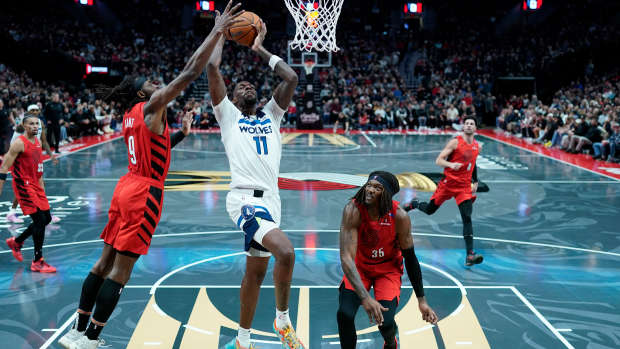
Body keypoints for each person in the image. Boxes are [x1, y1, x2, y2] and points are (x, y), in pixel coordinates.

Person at [56, 4, 244, 348]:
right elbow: (189, 73)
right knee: (121, 273)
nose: (158, 84)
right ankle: (92, 338)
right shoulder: (153, 105)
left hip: (126, 186)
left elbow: (151, 148)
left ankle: (76, 331)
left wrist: (182, 134)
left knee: (103, 263)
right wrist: (216, 30)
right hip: (144, 194)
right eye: (151, 84)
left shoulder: (132, 114)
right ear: (144, 93)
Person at [207, 18, 302, 349]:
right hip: (244, 200)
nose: (246, 86)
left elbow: (291, 77)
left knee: (256, 275)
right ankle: (283, 320)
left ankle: (242, 341)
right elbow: (212, 67)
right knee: (286, 253)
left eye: (250, 85)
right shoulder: (228, 117)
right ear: (230, 99)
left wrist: (259, 48)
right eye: (239, 87)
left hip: (272, 201)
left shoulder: (271, 115)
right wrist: (220, 31)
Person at [338, 171, 438, 349]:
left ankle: (391, 342)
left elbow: (411, 259)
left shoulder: (399, 216)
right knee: (345, 314)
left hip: (387, 271)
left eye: (377, 188)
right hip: (359, 267)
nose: (370, 190)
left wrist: (421, 300)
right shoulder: (353, 209)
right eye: (369, 185)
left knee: (385, 321)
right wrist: (365, 297)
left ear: (387, 195)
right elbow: (346, 258)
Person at [403, 116, 484, 266]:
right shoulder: (455, 142)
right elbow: (438, 160)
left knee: (467, 217)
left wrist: (475, 181)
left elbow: (473, 164)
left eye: (471, 123)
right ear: (463, 127)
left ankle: (470, 255)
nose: (468, 125)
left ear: (475, 128)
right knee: (429, 210)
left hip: (464, 187)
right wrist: (450, 165)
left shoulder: (477, 146)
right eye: (466, 123)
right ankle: (414, 204)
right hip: (448, 184)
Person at [1, 114, 56, 273]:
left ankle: (16, 242)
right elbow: (4, 168)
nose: (35, 127)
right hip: (23, 185)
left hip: (35, 185)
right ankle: (37, 261)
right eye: (31, 124)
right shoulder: (18, 144)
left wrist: (42, 191)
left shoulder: (37, 142)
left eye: (36, 124)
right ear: (24, 126)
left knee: (47, 218)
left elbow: (39, 171)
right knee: (39, 221)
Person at [6, 104, 60, 224]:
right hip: (21, 155)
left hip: (34, 154)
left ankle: (45, 211)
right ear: (28, 112)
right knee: (25, 185)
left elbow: (44, 141)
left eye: (37, 110)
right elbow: (17, 140)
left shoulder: (40, 123)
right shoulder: (24, 125)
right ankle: (12, 212)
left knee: (39, 183)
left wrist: (51, 155)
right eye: (32, 110)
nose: (35, 111)